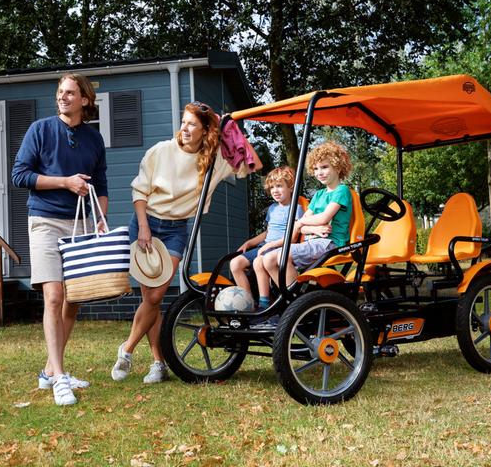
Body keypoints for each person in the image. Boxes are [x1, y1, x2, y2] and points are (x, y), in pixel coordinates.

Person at [111, 101, 256, 383]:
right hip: (146, 223)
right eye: (184, 122)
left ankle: (126, 349)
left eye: (193, 124)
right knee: (149, 299)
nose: (185, 128)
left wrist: (229, 129)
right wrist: (143, 228)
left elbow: (252, 163)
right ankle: (158, 363)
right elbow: (139, 191)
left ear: (205, 130)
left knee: (155, 296)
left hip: (176, 229)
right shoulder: (161, 151)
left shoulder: (214, 161)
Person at [11, 73, 108, 406]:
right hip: (46, 221)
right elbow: (20, 175)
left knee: (73, 300)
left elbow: (102, 187)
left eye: (70, 93)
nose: (63, 97)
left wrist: (100, 220)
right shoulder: (40, 130)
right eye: (60, 92)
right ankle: (60, 379)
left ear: (85, 100)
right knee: (53, 296)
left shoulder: (94, 139)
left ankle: (51, 370)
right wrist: (65, 182)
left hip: (82, 223)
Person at [256, 141, 353, 303]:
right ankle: (290, 298)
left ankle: (299, 302)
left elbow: (323, 219)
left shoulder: (341, 191)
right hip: (315, 240)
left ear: (338, 166)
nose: (319, 172)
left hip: (331, 243)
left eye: (324, 167)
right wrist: (310, 228)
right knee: (268, 259)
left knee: (281, 256)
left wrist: (302, 223)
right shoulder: (318, 195)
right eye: (316, 169)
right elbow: (301, 227)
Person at [229, 166, 303, 308]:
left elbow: (293, 238)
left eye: (280, 186)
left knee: (258, 262)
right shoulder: (272, 208)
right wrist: (249, 243)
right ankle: (249, 303)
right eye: (272, 187)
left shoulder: (296, 209)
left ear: (291, 188)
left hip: (279, 248)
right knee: (235, 264)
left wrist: (270, 245)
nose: (275, 190)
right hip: (264, 246)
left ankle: (265, 303)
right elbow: (267, 233)